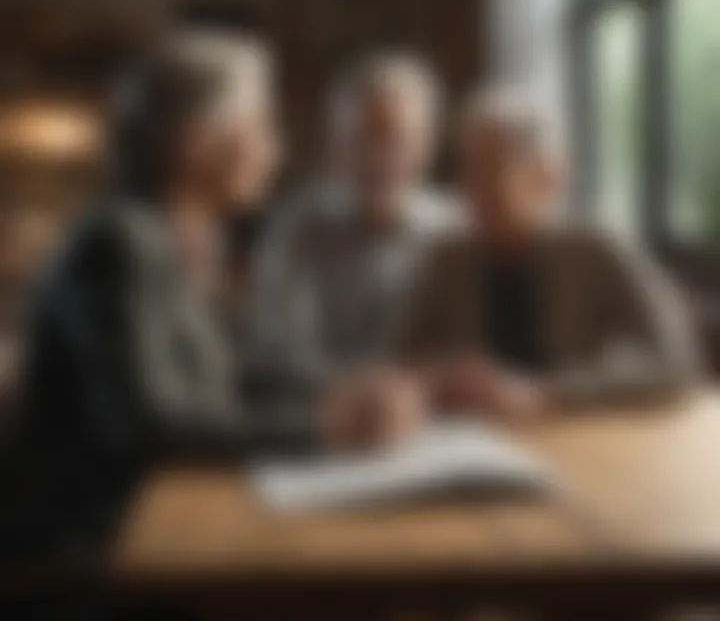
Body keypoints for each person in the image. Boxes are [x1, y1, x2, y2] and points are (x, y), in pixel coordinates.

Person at [2, 32, 418, 562]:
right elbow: (153, 428)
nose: (276, 149)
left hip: (150, 527)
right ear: (196, 141)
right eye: (262, 126)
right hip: (85, 558)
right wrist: (328, 424)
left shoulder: (182, 235)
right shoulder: (120, 245)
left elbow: (230, 379)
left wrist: (340, 390)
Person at [403, 88, 701, 420]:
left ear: (547, 175)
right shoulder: (448, 259)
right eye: (468, 167)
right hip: (472, 441)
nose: (473, 186)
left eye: (492, 166)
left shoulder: (596, 249)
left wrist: (546, 393)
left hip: (578, 433)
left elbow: (676, 363)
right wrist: (438, 379)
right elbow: (402, 362)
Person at [251, 52, 465, 396]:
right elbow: (283, 353)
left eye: (395, 137)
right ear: (336, 143)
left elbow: (466, 351)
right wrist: (365, 392)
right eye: (362, 136)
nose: (378, 157)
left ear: (427, 144)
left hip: (435, 416)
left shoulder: (456, 230)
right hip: (328, 416)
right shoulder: (297, 229)